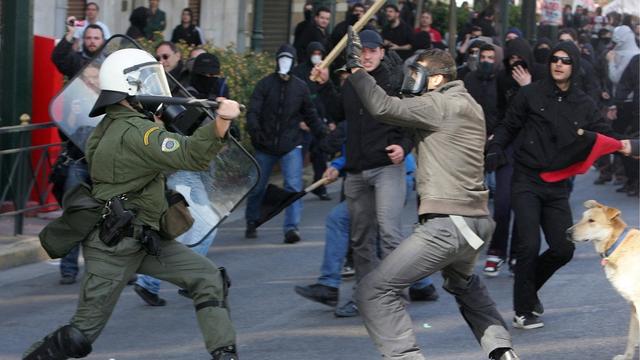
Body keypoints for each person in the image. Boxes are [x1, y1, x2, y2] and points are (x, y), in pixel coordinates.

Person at [23, 48, 241, 360]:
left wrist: (160, 124)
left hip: (145, 238)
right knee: (80, 334)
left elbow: (150, 161)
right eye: (147, 80)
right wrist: (222, 119)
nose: (155, 86)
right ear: (129, 88)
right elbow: (191, 154)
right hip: (113, 247)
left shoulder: (115, 125)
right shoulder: (136, 131)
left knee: (207, 277)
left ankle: (225, 353)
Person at [341, 27, 518, 359]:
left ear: (435, 80)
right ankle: (502, 352)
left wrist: (355, 70)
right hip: (476, 223)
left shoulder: (438, 105)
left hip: (447, 225)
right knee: (465, 286)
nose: (411, 80)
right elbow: (401, 101)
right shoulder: (466, 102)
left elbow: (381, 107)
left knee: (373, 291)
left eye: (416, 74)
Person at [486, 41, 620, 330]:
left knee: (563, 248)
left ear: (574, 66)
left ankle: (528, 288)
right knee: (528, 244)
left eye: (565, 60)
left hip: (558, 184)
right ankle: (523, 311)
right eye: (554, 59)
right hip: (527, 178)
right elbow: (509, 124)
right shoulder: (531, 93)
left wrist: (630, 145)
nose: (559, 64)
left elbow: (606, 135)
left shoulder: (583, 103)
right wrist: (495, 147)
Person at [313, 29, 416, 317]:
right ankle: (365, 298)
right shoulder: (352, 83)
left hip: (386, 169)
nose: (367, 56)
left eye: (372, 50)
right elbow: (338, 114)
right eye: (362, 51)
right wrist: (323, 85)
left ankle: (397, 299)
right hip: (356, 172)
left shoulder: (395, 82)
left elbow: (410, 122)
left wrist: (403, 147)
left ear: (382, 52)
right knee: (360, 239)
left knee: (390, 233)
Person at [133, 52, 230, 307]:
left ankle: (149, 281)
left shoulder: (193, 96)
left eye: (214, 75)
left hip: (188, 169)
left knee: (181, 225)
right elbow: (187, 133)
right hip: (183, 169)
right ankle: (190, 278)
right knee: (206, 223)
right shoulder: (186, 98)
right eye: (207, 74)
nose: (211, 78)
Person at [244, 44, 328, 243]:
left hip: (290, 144)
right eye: (281, 58)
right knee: (257, 186)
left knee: (293, 186)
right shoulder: (265, 85)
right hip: (265, 145)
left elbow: (311, 114)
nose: (284, 62)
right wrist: (256, 134)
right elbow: (253, 111)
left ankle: (292, 228)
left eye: (288, 58)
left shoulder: (300, 87)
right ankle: (252, 219)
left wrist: (322, 135)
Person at [51, 20, 105, 285]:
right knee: (73, 213)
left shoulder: (115, 80)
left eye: (97, 37)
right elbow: (59, 55)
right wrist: (69, 32)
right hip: (77, 156)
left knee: (109, 216)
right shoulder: (77, 70)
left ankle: (110, 269)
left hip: (105, 161)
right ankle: (69, 268)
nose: (93, 41)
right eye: (90, 37)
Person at [292, 41, 336, 201]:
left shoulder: (323, 73)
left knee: (320, 156)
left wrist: (330, 120)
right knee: (299, 157)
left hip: (319, 122)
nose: (317, 56)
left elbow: (326, 99)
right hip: (303, 124)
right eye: (314, 53)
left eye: (320, 53)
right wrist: (300, 121)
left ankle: (320, 186)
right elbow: (295, 100)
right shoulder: (298, 73)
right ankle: (294, 188)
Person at [607, 25, 640, 196]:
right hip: (635, 112)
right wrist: (615, 103)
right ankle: (633, 181)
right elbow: (625, 84)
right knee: (631, 146)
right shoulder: (636, 60)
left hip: (633, 110)